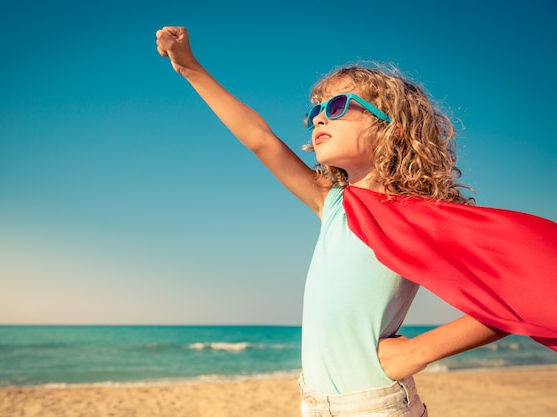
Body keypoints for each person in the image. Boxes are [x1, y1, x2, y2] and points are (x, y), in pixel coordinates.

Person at [155, 26, 556, 416]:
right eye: (315, 111)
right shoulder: (334, 204)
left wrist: (423, 349)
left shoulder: (424, 217)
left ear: (393, 132)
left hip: (375, 405)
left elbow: (529, 290)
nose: (319, 119)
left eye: (337, 107)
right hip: (312, 402)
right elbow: (259, 138)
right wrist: (190, 67)